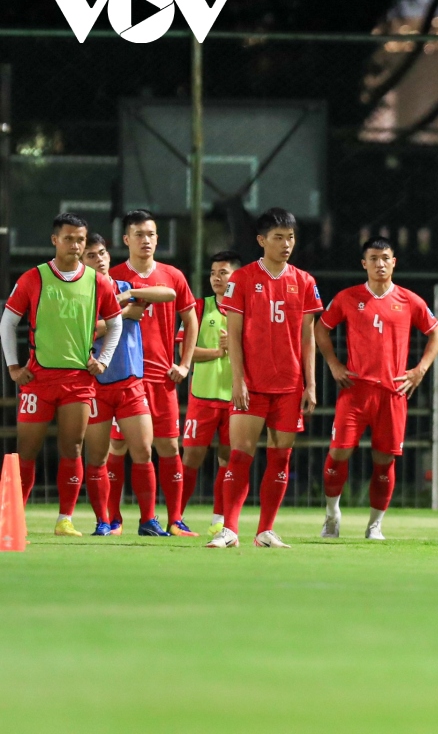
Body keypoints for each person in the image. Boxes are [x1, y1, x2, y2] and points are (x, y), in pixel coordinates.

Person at [206, 208, 323, 549]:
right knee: (239, 455)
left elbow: (308, 337)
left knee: (280, 457)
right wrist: (238, 380)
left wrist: (311, 384)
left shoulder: (305, 281)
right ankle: (229, 530)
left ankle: (265, 531)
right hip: (253, 384)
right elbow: (234, 334)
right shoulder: (242, 279)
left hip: (289, 385)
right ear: (261, 240)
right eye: (278, 237)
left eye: (291, 238)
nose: (286, 244)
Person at [0, 213, 123, 535]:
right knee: (27, 451)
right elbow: (8, 322)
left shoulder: (97, 282)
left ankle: (64, 519)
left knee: (73, 448)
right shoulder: (34, 277)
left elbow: (116, 323)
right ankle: (14, 520)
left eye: (80, 239)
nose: (76, 245)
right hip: (38, 380)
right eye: (69, 238)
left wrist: (103, 360)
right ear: (55, 240)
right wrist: (13, 366)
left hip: (78, 382)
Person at [317, 238, 438, 540]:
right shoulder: (348, 297)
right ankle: (332, 515)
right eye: (373, 258)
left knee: (384, 461)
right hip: (355, 390)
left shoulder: (408, 300)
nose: (380, 263)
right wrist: (334, 364)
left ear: (394, 262)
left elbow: (437, 334)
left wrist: (419, 370)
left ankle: (375, 525)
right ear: (364, 264)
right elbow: (321, 328)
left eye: (385, 258)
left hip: (392, 393)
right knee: (338, 452)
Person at [109, 209, 200, 536]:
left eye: (150, 234)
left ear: (158, 238)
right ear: (126, 239)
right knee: (119, 448)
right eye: (139, 234)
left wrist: (185, 363)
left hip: (162, 378)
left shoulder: (172, 276)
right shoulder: (113, 276)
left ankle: (175, 520)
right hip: (124, 377)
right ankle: (114, 520)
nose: (145, 240)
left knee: (169, 448)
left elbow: (191, 320)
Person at [80, 233, 176, 536]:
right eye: (91, 256)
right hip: (97, 386)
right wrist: (121, 314)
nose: (99, 259)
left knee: (144, 450)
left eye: (102, 253)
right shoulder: (80, 296)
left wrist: (128, 294)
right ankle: (104, 521)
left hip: (131, 384)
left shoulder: (124, 287)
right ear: (82, 263)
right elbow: (84, 333)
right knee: (98, 457)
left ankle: (148, 520)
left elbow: (169, 293)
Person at [181, 251, 240, 537]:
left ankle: (220, 519)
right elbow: (184, 350)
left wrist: (239, 345)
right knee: (191, 457)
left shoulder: (248, 310)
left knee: (229, 458)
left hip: (236, 398)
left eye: (223, 273)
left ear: (236, 277)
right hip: (203, 396)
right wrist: (218, 351)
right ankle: (176, 517)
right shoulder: (199, 307)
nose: (217, 278)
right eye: (214, 273)